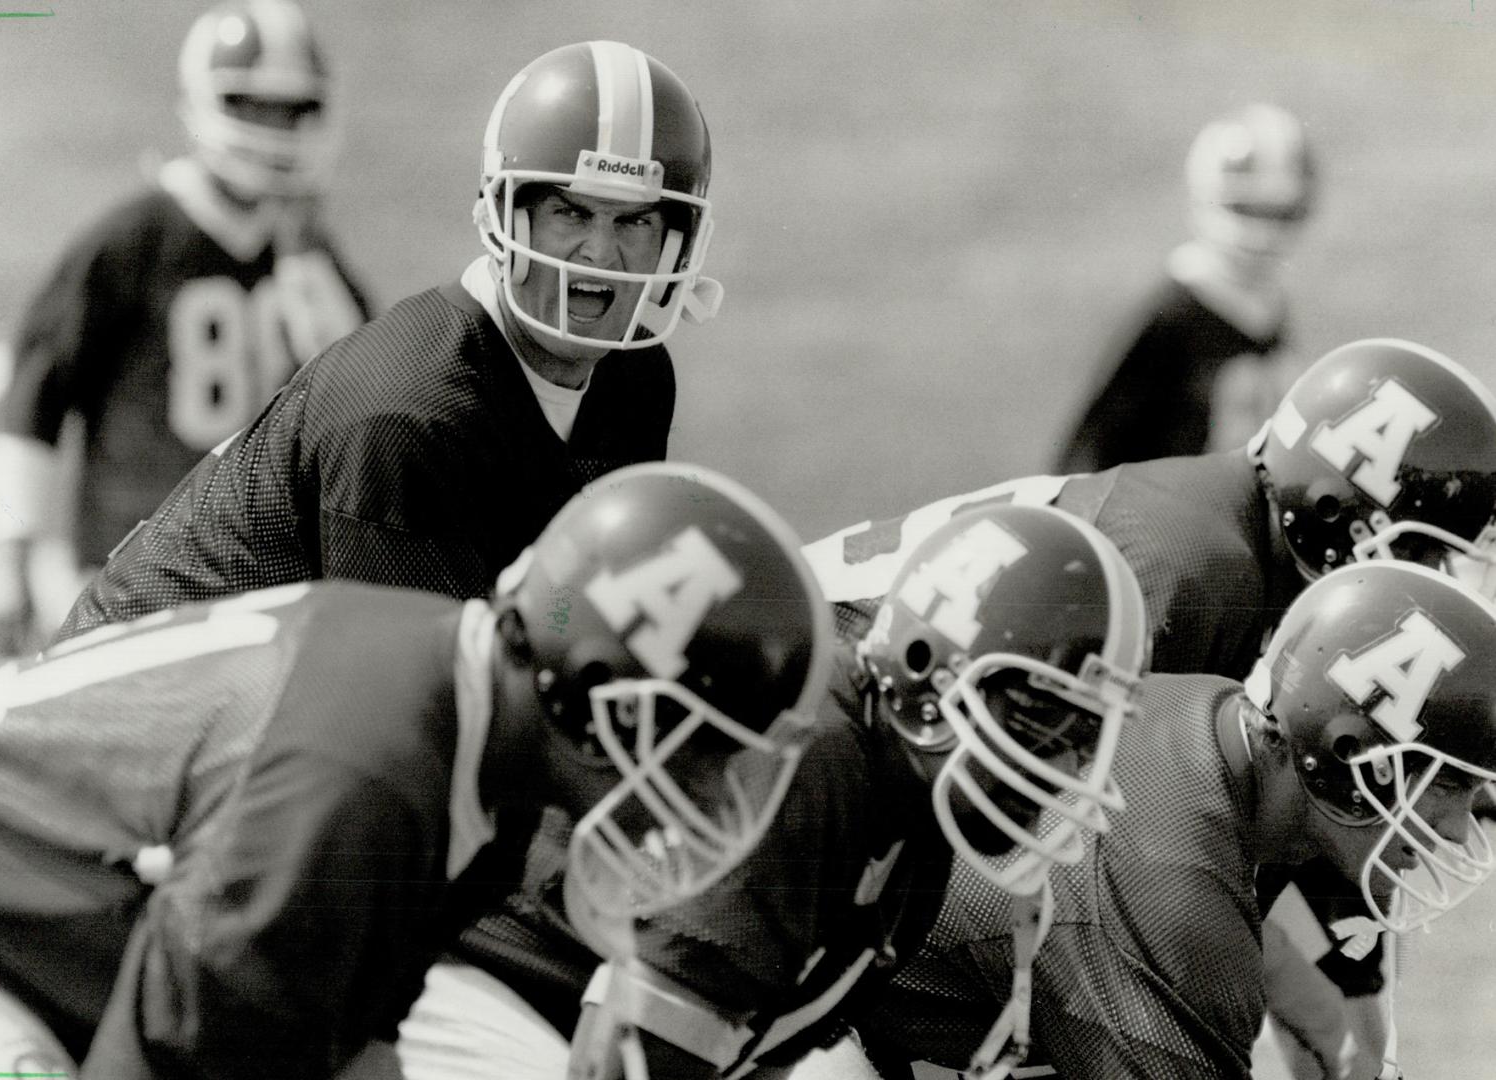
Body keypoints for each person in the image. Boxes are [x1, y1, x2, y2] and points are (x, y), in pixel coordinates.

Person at [0, 463, 832, 1079]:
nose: (711, 789)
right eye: (704, 747)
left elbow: (357, 1046)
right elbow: (165, 1061)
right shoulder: (361, 777)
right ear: (596, 693)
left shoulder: (474, 742)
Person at [804, 336, 1496, 1079]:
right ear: (1341, 513)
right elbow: (1135, 867)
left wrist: (1356, 1017)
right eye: (1427, 551)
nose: (1441, 578)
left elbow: (1277, 821)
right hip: (808, 766)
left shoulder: (1229, 564)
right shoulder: (1192, 578)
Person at [399, 503, 1151, 1080]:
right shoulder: (812, 765)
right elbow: (623, 1053)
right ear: (929, 667)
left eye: (1080, 738)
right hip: (484, 983)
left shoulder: (909, 807)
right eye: (1039, 722)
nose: (1060, 766)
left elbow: (764, 1037)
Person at [52, 38, 724, 642]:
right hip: (135, 698)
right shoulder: (405, 414)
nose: (599, 253)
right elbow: (408, 714)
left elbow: (576, 619)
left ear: (674, 240)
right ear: (504, 215)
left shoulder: (634, 380)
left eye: (633, 222)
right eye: (569, 212)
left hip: (283, 699)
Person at [851, 559, 1496, 1079]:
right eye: (1453, 784)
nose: (1459, 829)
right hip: (810, 1028)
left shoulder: (1217, 726)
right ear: (1350, 754)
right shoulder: (1176, 899)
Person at [0, 0, 371, 654]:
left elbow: (365, 392)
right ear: (208, 103)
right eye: (254, 107)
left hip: (259, 570)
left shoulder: (305, 250)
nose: (274, 129)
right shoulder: (134, 243)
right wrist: (10, 562)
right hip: (132, 569)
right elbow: (36, 394)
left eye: (291, 111)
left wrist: (304, 262)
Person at [1056, 102, 1315, 474]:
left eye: (1280, 214)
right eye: (1249, 210)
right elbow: (1091, 455)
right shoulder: (1169, 318)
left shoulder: (1269, 304)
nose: (1265, 234)